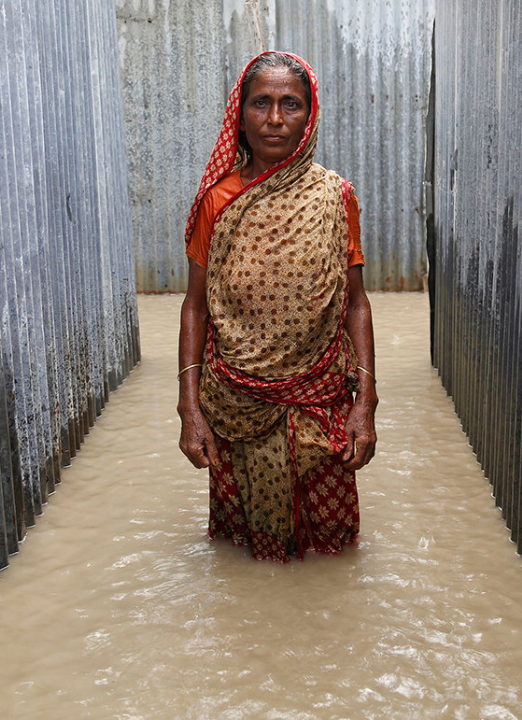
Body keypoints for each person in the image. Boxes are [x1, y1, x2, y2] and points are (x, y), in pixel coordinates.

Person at [178, 51, 377, 562]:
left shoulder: (335, 198)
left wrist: (366, 403)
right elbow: (196, 308)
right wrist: (189, 407)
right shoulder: (217, 201)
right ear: (239, 115)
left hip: (322, 401)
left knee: (331, 550)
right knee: (244, 553)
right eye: (260, 103)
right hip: (234, 408)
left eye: (290, 104)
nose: (274, 119)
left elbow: (356, 303)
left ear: (308, 115)